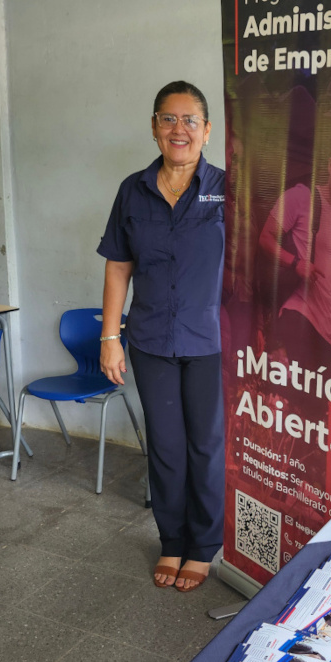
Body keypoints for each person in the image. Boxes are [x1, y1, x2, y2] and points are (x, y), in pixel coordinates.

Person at [98, 81, 225, 592]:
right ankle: (172, 540)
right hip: (150, 339)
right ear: (154, 128)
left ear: (207, 130)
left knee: (207, 446)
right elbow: (117, 268)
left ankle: (204, 546)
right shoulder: (133, 189)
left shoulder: (228, 187)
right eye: (169, 119)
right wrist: (110, 336)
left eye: (190, 120)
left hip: (214, 342)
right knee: (166, 446)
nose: (180, 129)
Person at [258, 137, 331, 384]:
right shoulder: (301, 197)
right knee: (287, 403)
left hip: (330, 337)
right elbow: (265, 238)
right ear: (330, 166)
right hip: (298, 313)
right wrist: (295, 262)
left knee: (315, 415)